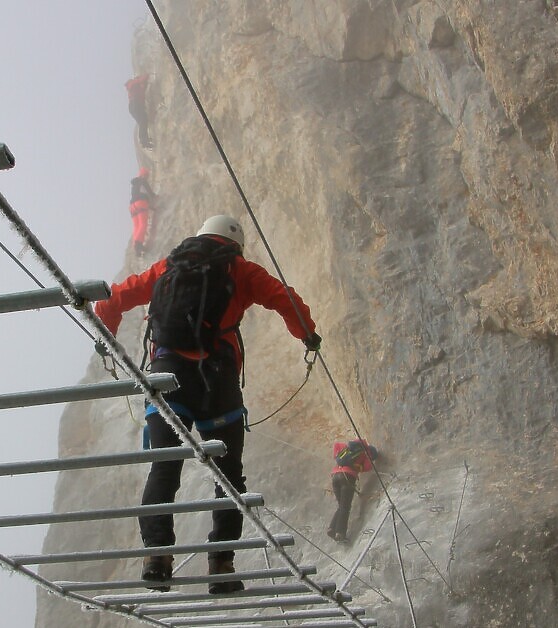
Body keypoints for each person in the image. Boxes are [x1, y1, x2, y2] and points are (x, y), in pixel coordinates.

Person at [94, 215, 321, 594]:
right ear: (236, 244)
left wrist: (106, 336)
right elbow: (287, 301)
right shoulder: (242, 270)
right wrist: (307, 336)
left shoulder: (169, 266)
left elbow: (114, 299)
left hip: (167, 376)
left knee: (164, 467)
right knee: (229, 476)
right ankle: (221, 566)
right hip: (217, 381)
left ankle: (157, 558)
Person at [326, 439, 379, 543]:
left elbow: (336, 446)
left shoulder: (347, 447)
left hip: (335, 476)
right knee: (345, 507)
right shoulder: (366, 452)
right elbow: (367, 467)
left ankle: (331, 528)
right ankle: (340, 533)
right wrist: (360, 466)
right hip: (348, 477)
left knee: (341, 505)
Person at [129, 167, 156, 256]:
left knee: (136, 226)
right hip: (140, 203)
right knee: (143, 224)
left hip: (132, 207)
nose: (147, 177)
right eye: (147, 175)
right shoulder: (142, 181)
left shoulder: (134, 185)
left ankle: (136, 246)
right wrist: (156, 197)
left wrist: (150, 207)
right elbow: (149, 194)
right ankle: (138, 245)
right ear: (144, 175)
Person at [125, 73, 153, 149]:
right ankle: (143, 141)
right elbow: (143, 79)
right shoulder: (132, 83)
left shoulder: (138, 88)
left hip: (135, 105)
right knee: (143, 121)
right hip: (135, 104)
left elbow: (143, 86)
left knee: (143, 121)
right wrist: (146, 75)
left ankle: (145, 140)